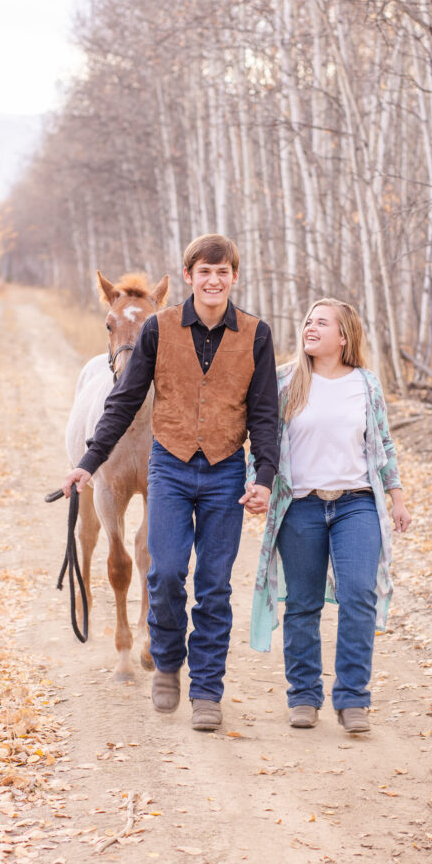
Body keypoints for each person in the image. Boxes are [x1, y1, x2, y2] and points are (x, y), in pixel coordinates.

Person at [63, 234, 279, 731]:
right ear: (188, 277)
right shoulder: (158, 329)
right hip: (170, 466)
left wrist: (263, 475)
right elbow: (123, 400)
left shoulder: (256, 334)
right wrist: (89, 461)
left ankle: (206, 691)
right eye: (204, 271)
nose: (213, 280)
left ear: (234, 278)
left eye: (222, 272)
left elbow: (264, 413)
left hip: (226, 469)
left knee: (214, 587)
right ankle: (165, 663)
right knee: (162, 574)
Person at [249, 298, 410, 732]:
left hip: (356, 502)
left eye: (322, 322)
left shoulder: (366, 383)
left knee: (358, 594)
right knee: (302, 602)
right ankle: (303, 696)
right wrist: (257, 484)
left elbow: (383, 444)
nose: (310, 327)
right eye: (307, 321)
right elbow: (263, 439)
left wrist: (396, 495)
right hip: (300, 504)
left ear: (344, 336)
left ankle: (353, 698)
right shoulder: (284, 381)